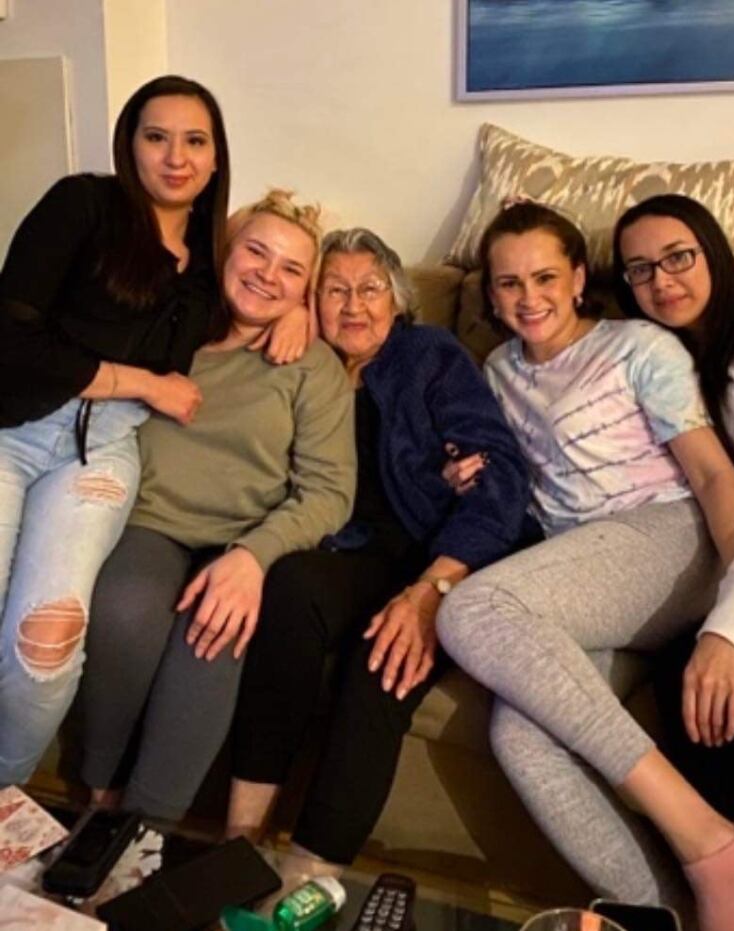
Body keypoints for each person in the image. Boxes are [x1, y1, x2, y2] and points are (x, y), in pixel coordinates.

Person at [436, 201, 734, 931]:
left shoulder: (638, 346)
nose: (529, 297)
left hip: (668, 538)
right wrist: (472, 472)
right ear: (488, 294)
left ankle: (712, 841)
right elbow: (515, 479)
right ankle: (682, 914)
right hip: (590, 573)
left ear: (579, 277)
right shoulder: (497, 372)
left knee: (470, 610)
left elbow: (716, 477)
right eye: (508, 283)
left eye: (545, 277)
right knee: (519, 735)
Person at [227, 227, 535, 888]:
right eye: (335, 289)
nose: (353, 305)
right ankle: (239, 840)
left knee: (382, 664)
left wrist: (435, 585)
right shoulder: (306, 362)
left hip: (436, 551)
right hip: (352, 553)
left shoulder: (428, 355)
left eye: (370, 288)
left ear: (397, 301)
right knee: (290, 587)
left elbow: (499, 471)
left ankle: (308, 870)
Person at [78, 190, 355, 820]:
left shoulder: (311, 366)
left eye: (292, 270)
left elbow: (330, 492)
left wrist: (252, 558)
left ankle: (144, 832)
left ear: (307, 293)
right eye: (255, 252)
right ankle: (98, 802)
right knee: (123, 609)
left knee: (213, 637)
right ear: (224, 253)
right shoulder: (168, 324)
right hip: (150, 521)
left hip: (241, 538)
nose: (267, 274)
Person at [0, 74, 230, 786]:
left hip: (98, 454)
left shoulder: (215, 257)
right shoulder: (84, 204)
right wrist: (144, 382)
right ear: (129, 144)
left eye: (195, 141)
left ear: (217, 157)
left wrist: (296, 312)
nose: (175, 157)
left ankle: (3, 797)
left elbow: (278, 272)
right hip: (8, 428)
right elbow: (11, 341)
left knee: (46, 647)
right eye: (155, 137)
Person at [613, 193, 734, 846]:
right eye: (640, 269)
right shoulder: (660, 357)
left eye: (678, 257)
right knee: (687, 686)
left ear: (712, 249)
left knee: (717, 670)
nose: (662, 280)